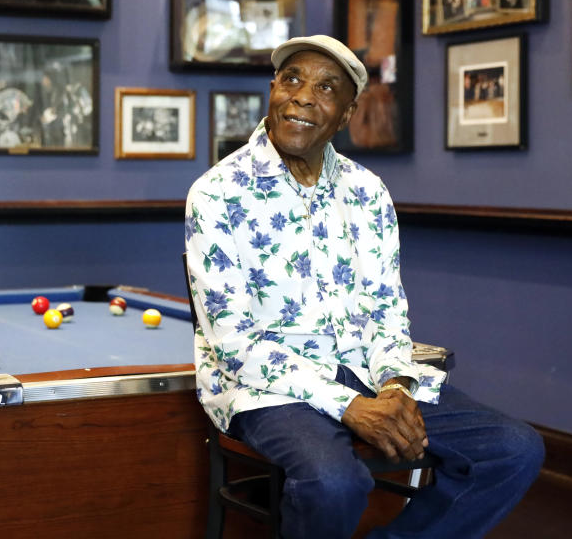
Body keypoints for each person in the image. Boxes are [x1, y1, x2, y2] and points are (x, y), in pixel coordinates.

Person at [184, 35, 544, 539]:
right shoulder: (216, 193)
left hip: (365, 371)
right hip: (267, 389)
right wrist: (350, 407)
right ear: (272, 90)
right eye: (292, 79)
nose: (304, 96)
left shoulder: (368, 191)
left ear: (347, 113)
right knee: (333, 481)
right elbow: (235, 345)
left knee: (514, 449)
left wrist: (395, 387)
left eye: (326, 88)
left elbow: (386, 309)